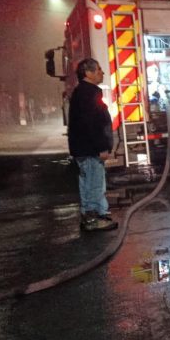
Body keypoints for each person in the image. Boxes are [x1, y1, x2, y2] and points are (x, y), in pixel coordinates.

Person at [68, 58, 118, 232]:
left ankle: (96, 215)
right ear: (87, 73)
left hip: (84, 149)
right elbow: (91, 124)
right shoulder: (87, 94)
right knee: (93, 185)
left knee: (89, 183)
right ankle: (92, 220)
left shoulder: (84, 92)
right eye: (98, 70)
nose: (102, 73)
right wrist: (101, 147)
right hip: (90, 150)